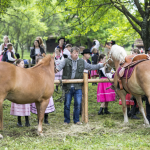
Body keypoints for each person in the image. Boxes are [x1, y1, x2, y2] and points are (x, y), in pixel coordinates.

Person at [55, 46, 105, 125]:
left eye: (77, 53)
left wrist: (102, 65)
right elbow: (58, 68)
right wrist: (56, 69)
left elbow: (91, 67)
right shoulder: (65, 61)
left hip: (78, 86)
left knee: (78, 103)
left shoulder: (82, 61)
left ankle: (76, 120)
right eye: (74, 53)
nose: (76, 54)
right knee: (67, 104)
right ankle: (66, 121)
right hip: (68, 86)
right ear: (71, 53)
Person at [30, 57, 55, 125]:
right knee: (38, 107)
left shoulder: (46, 71)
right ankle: (39, 119)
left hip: (45, 91)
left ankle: (46, 119)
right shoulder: (34, 71)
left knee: (46, 105)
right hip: (38, 91)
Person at [10, 59, 30, 127]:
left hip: (25, 90)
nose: (23, 64)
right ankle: (19, 121)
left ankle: (27, 121)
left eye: (23, 63)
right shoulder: (14, 71)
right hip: (18, 91)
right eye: (22, 63)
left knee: (26, 105)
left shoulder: (25, 71)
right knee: (18, 105)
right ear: (17, 64)